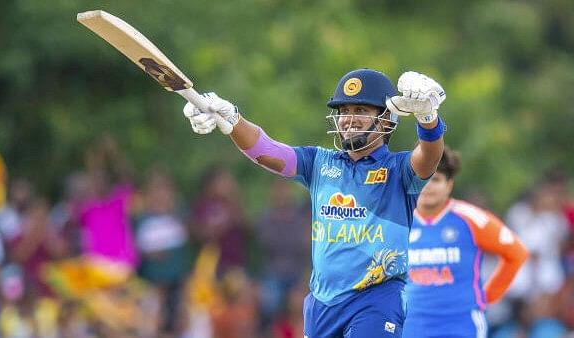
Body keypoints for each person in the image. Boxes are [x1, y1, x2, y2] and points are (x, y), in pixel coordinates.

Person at [184, 68, 447, 337]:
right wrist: (231, 121)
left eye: (361, 110)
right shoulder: (320, 163)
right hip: (323, 303)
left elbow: (429, 156)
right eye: (344, 110)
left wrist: (428, 119)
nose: (349, 119)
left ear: (384, 119)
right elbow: (266, 151)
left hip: (377, 297)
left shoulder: (398, 169)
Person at [402, 147, 529, 338]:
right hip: (411, 325)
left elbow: (517, 253)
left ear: (449, 184)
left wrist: (487, 296)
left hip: (461, 325)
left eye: (436, 179)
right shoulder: (399, 219)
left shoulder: (471, 218)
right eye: (423, 179)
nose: (428, 186)